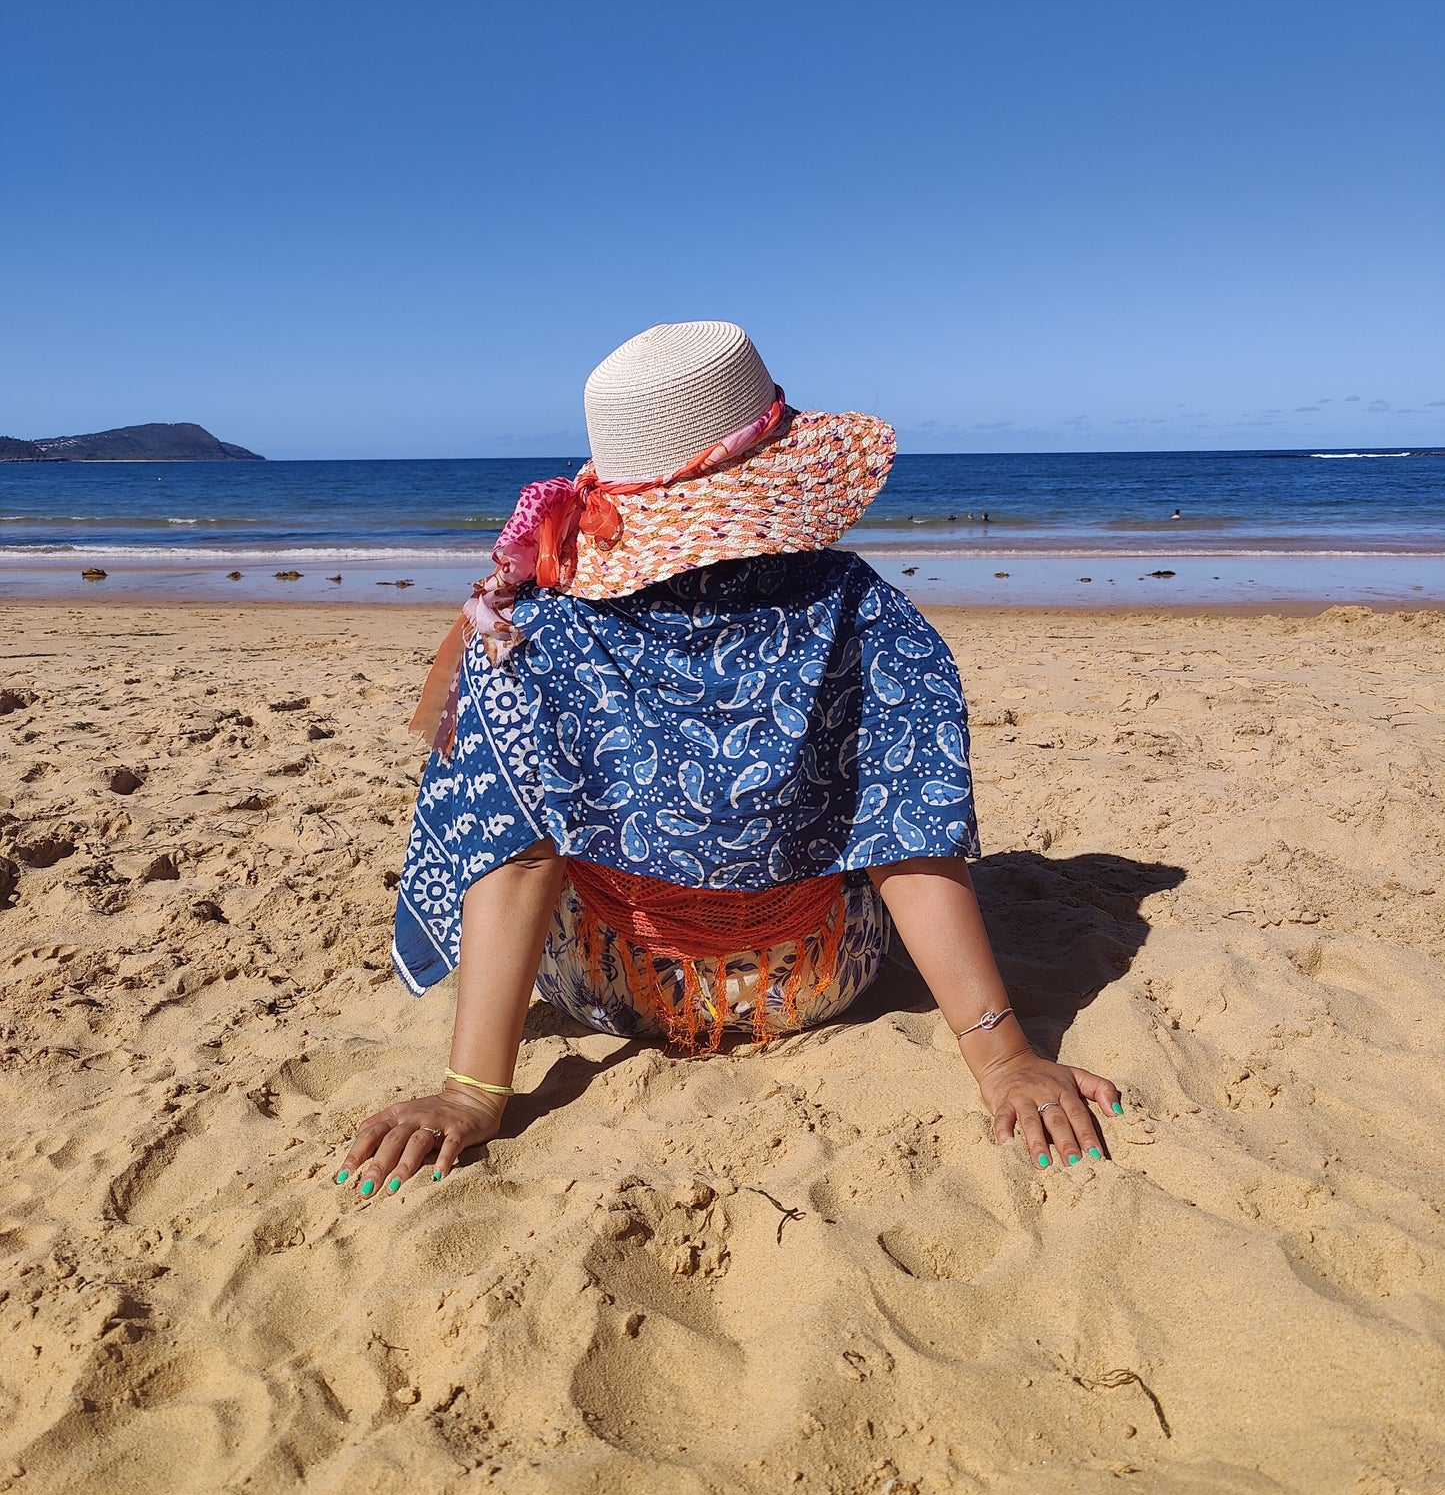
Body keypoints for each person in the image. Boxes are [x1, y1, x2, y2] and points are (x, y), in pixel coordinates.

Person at [339, 322, 1121, 1196]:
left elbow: (514, 853)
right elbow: (906, 835)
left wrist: (470, 1092)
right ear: (779, 463)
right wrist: (1003, 1057)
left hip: (603, 987)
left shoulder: (531, 629)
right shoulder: (860, 609)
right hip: (818, 979)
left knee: (528, 816)